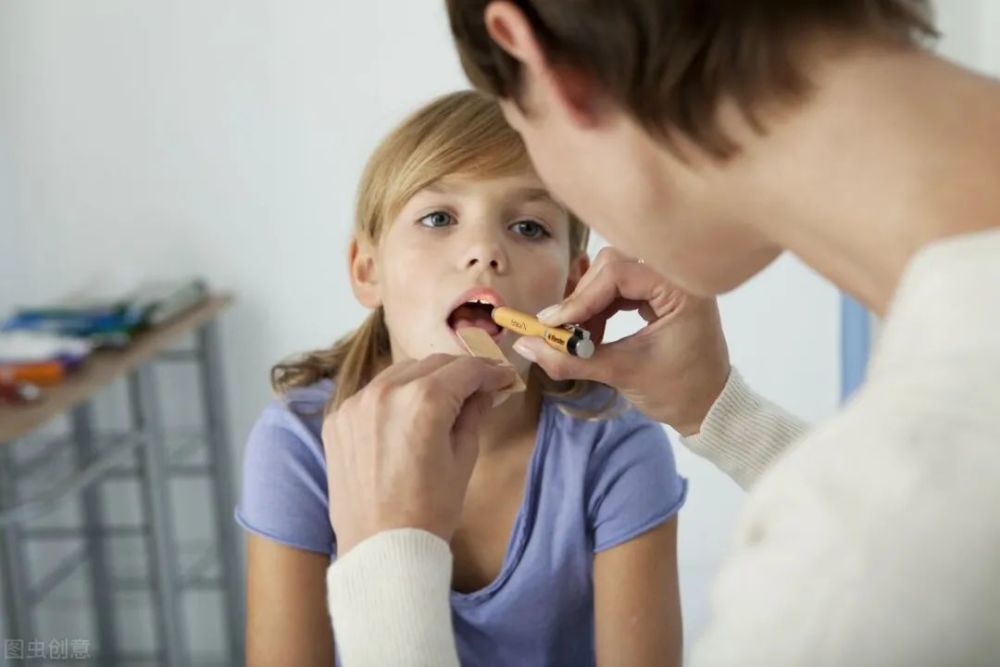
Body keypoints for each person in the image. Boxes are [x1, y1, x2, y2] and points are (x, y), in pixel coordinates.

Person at [320, 0, 1000, 665]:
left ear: (550, 65)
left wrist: (386, 570)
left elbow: (889, 554)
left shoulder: (849, 578)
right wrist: (718, 408)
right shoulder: (911, 514)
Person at [237, 91, 690, 666]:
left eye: (528, 226)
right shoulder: (300, 442)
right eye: (438, 218)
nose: (484, 250)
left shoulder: (617, 444)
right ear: (367, 269)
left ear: (574, 288)